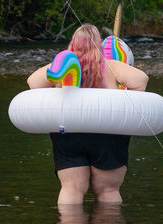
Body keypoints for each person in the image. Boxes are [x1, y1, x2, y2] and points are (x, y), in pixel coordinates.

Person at [26, 24, 149, 205]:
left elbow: (32, 82)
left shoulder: (62, 66)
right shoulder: (110, 66)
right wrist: (125, 98)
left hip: (68, 132)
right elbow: (141, 80)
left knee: (71, 188)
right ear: (98, 45)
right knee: (108, 190)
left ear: (73, 43)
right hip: (109, 133)